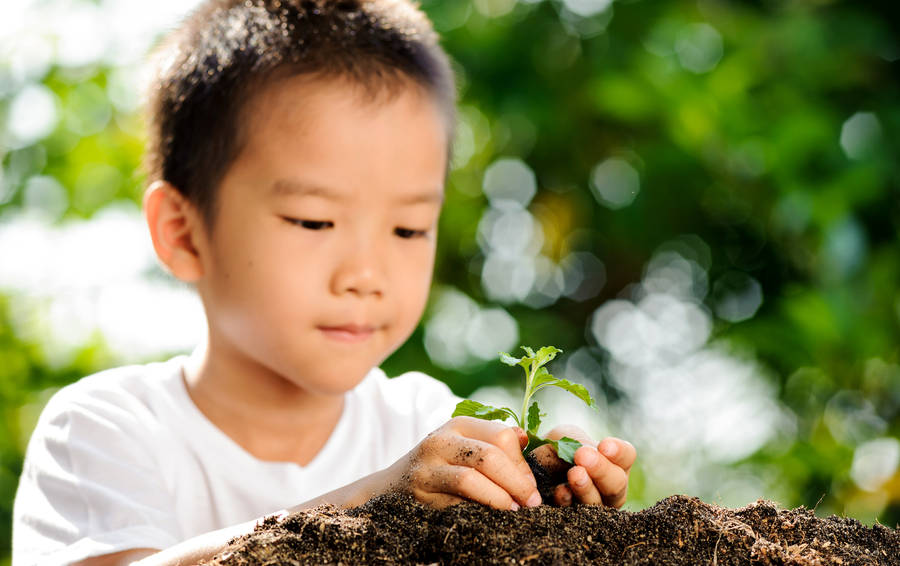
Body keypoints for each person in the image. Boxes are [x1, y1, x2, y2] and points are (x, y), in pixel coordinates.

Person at [12, 1, 637, 564]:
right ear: (183, 232)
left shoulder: (424, 422)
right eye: (314, 220)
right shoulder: (104, 429)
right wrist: (371, 506)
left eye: (409, 229)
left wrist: (551, 495)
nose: (366, 275)